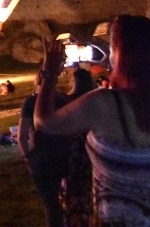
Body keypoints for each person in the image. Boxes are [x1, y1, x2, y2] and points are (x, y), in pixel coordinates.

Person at [34, 15, 150, 226]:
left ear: (121, 55)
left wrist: (49, 73)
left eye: (112, 47)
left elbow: (44, 122)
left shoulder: (103, 104)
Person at [19, 73, 69, 227]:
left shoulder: (30, 102)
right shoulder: (61, 100)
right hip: (63, 154)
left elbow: (22, 135)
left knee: (50, 203)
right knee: (68, 199)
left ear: (37, 82)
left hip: (41, 157)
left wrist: (27, 157)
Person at [60, 67, 95, 227]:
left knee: (72, 187)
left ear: (73, 82)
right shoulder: (95, 100)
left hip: (71, 151)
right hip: (91, 149)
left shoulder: (65, 102)